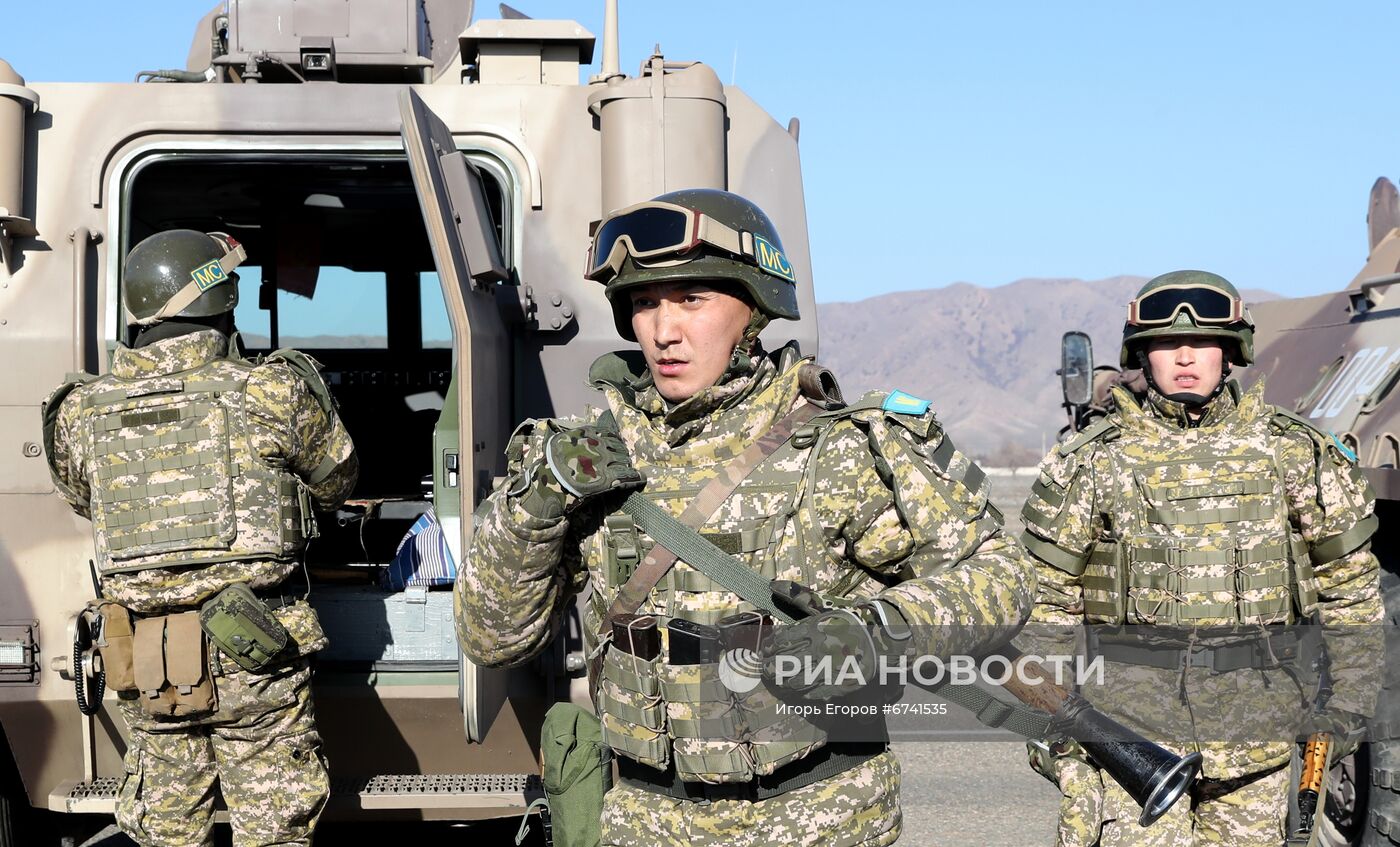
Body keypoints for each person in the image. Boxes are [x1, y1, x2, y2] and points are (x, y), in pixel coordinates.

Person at [457, 188, 1035, 845]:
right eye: (644, 303)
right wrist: (536, 501)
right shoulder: (590, 457)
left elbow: (1000, 578)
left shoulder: (839, 445)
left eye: (692, 300)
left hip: (817, 820)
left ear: (754, 308)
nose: (663, 330)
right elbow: (492, 637)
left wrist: (878, 631)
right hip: (645, 824)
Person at [1019, 271, 1382, 846]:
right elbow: (1045, 611)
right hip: (1126, 736)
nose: (1185, 355)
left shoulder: (1294, 453)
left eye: (1203, 342)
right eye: (1165, 343)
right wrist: (1062, 738)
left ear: (1231, 350)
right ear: (1142, 354)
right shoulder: (1089, 463)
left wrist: (1345, 715)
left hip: (1257, 740)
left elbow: (1352, 593)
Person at [42, 229, 357, 847]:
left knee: (165, 829)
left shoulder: (80, 411)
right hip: (254, 647)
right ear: (220, 299)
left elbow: (86, 501)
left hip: (148, 653)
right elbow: (337, 480)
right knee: (275, 831)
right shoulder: (273, 390)